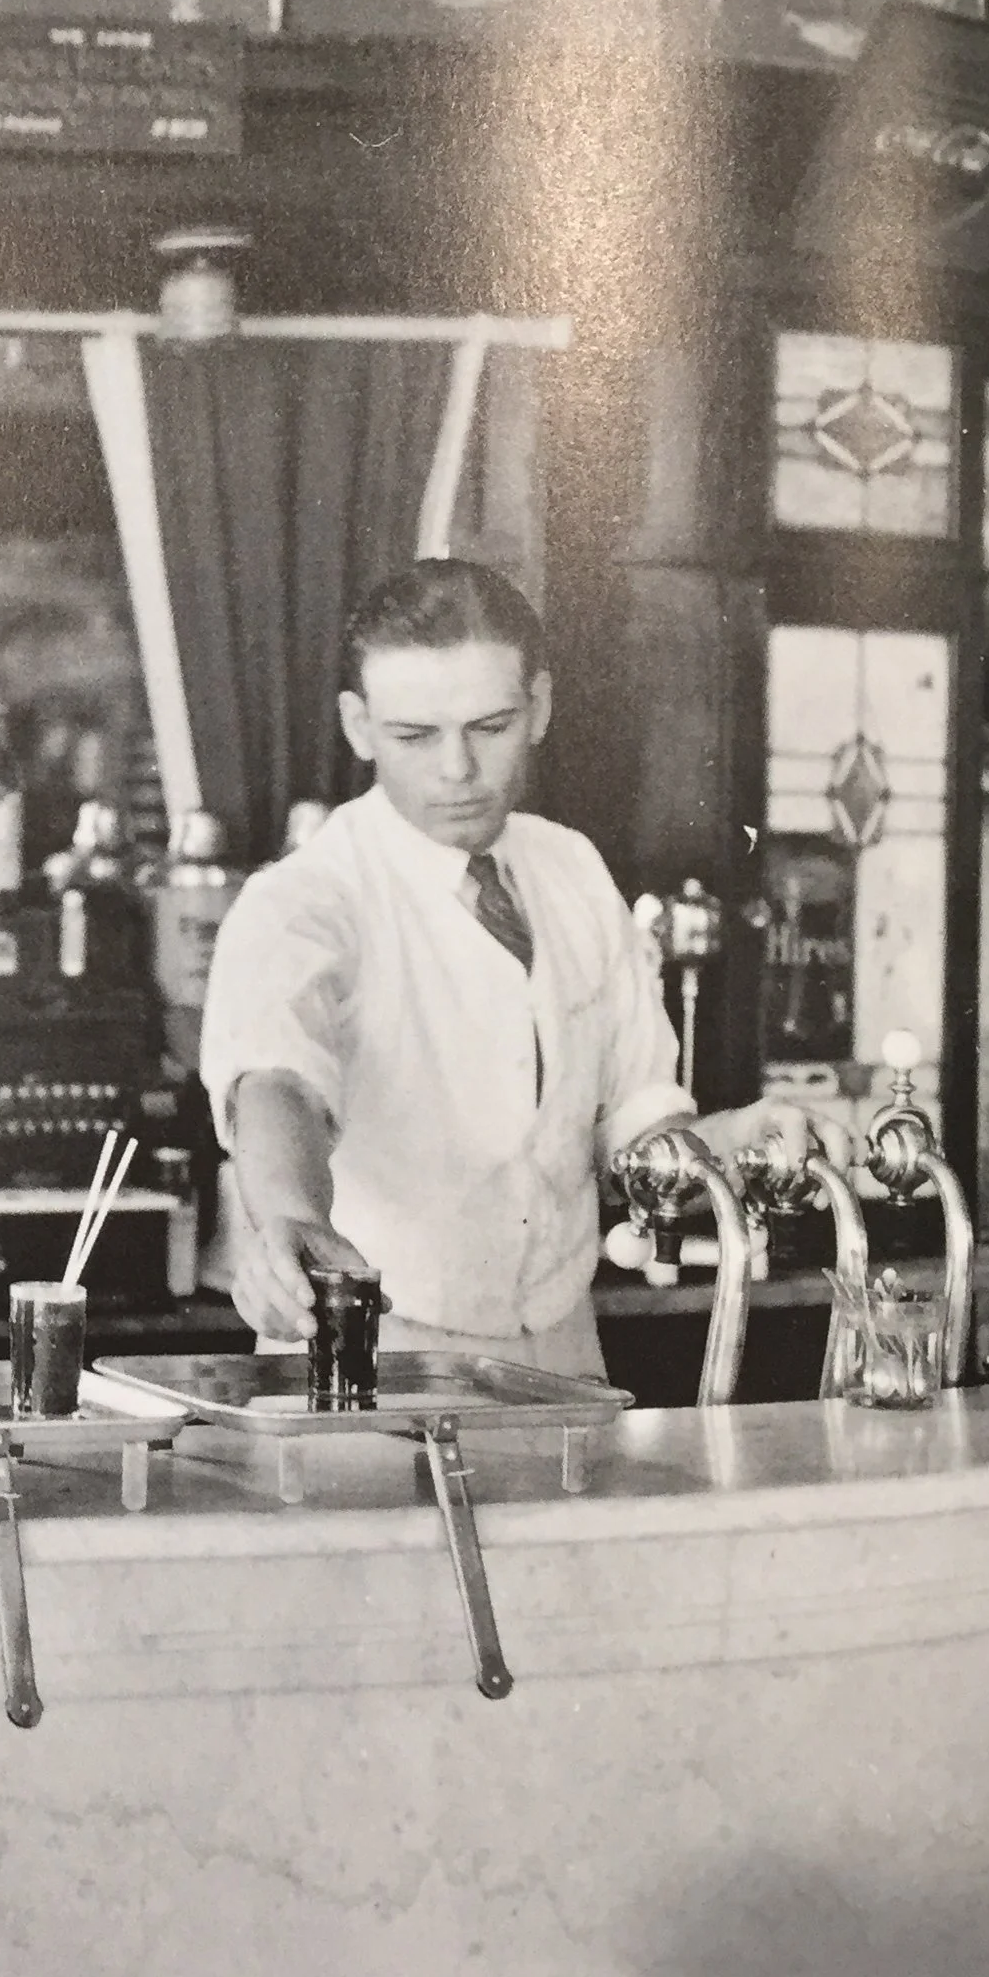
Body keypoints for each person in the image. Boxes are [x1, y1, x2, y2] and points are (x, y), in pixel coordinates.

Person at [197, 559, 845, 1380]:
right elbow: (278, 1081)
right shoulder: (306, 899)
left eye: (489, 726)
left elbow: (636, 1129)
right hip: (373, 1351)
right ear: (359, 727)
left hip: (565, 1348)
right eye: (414, 736)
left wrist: (731, 1140)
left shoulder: (571, 870)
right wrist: (290, 1217)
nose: (457, 770)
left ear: (538, 705)